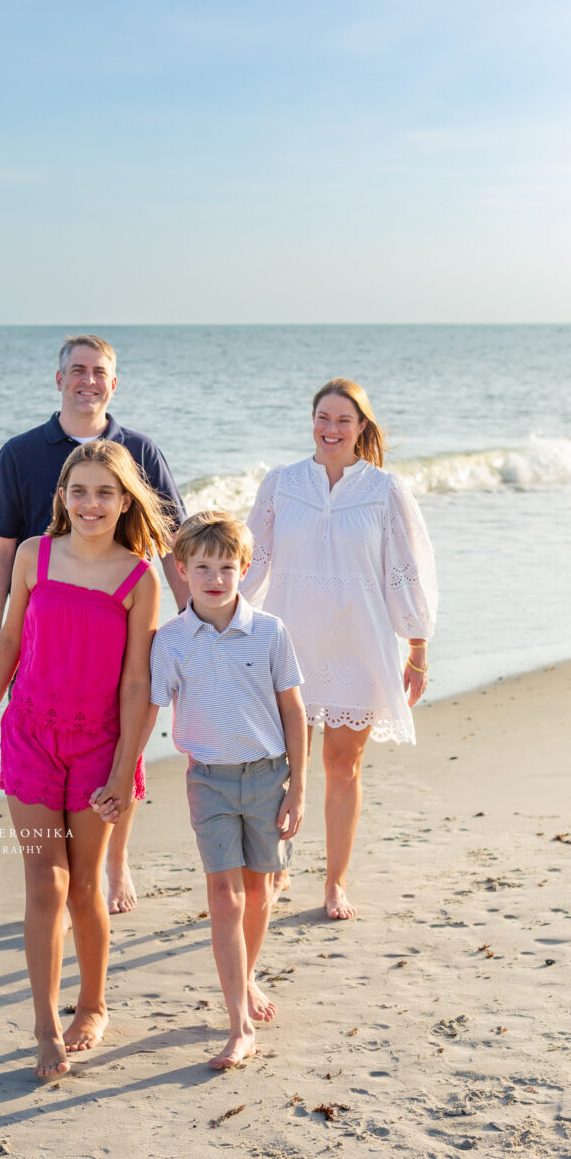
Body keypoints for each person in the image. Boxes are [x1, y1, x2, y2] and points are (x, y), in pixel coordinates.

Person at [0, 440, 170, 1078]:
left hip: (99, 748)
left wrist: (124, 768)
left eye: (104, 493)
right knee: (44, 883)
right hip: (30, 734)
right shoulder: (35, 555)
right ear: (62, 497)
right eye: (79, 491)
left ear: (124, 502)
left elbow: (138, 684)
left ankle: (93, 1004)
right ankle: (44, 1025)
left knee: (85, 887)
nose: (90, 504)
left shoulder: (139, 577)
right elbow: (8, 640)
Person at [0, 334, 187, 914]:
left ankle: (112, 860)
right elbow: (1, 551)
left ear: (113, 383)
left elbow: (172, 543)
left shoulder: (141, 452)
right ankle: (57, 881)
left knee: (124, 741)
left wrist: (196, 628)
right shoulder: (19, 454)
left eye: (99, 372)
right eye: (77, 370)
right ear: (59, 380)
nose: (88, 381)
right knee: (42, 749)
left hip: (121, 624)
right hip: (46, 625)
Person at [241, 377, 437, 921]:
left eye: (343, 420)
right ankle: (276, 868)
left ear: (361, 427)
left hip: (359, 644)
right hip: (291, 643)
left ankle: (335, 884)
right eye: (322, 418)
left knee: (342, 766)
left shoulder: (385, 490)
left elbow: (406, 571)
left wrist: (417, 647)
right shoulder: (280, 483)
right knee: (283, 765)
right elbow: (251, 560)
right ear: (312, 421)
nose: (331, 429)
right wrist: (216, 620)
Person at [140, 510, 307, 1070]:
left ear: (245, 568)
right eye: (203, 566)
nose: (215, 577)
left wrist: (299, 788)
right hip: (208, 780)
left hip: (269, 777)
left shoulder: (270, 631)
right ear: (182, 569)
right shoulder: (169, 640)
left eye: (227, 566)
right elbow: (147, 707)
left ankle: (247, 976)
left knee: (260, 894)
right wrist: (122, 771)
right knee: (224, 897)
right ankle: (238, 1023)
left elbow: (293, 709)